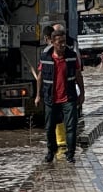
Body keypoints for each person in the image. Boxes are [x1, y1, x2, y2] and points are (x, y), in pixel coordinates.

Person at [34, 26, 84, 163]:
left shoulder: (72, 57)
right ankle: (51, 152)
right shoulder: (45, 57)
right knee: (49, 127)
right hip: (51, 98)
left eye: (64, 41)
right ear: (52, 42)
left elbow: (78, 75)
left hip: (69, 97)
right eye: (59, 42)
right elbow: (40, 76)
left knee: (71, 127)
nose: (62, 45)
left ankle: (70, 154)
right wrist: (38, 95)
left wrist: (82, 94)